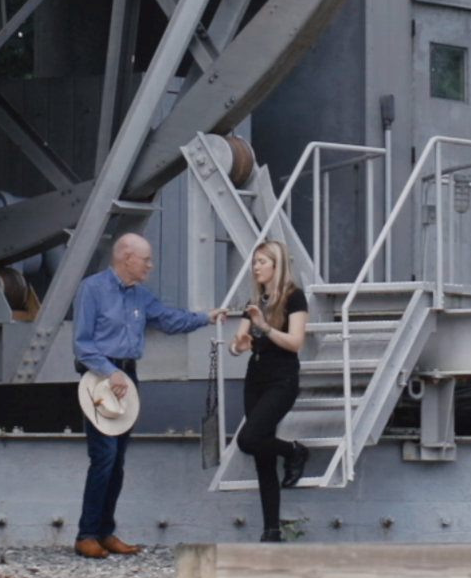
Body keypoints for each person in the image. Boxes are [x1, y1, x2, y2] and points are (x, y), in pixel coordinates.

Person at [72, 232, 226, 558]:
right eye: (146, 260)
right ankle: (87, 534)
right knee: (104, 458)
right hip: (100, 379)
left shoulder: (140, 296)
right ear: (127, 257)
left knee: (117, 461)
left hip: (128, 379)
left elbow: (168, 320)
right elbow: (83, 344)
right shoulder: (92, 289)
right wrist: (109, 371)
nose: (150, 265)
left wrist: (205, 317)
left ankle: (103, 531)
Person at [229, 239, 312, 541]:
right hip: (256, 377)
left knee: (249, 439)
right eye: (254, 262)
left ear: (277, 266)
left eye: (262, 262)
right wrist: (239, 345)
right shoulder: (254, 302)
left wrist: (264, 327)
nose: (256, 267)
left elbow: (295, 342)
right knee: (261, 455)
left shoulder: (294, 298)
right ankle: (271, 531)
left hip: (282, 378)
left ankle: (295, 451)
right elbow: (236, 343)